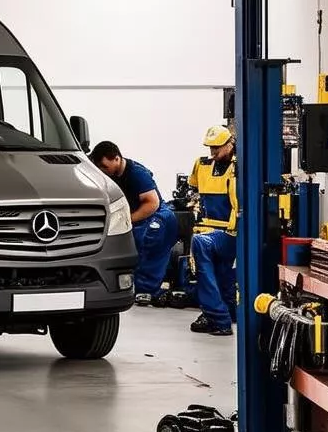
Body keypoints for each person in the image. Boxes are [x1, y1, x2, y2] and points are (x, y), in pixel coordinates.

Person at [89, 141, 180, 305]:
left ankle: (146, 290)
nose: (102, 170)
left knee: (148, 235)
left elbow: (152, 203)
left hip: (158, 215)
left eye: (104, 166)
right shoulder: (111, 176)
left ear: (116, 159)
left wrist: (127, 220)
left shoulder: (137, 173)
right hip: (139, 217)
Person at [187, 125, 238, 336]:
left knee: (200, 245)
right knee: (222, 272)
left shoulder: (239, 168)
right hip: (209, 229)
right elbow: (194, 188)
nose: (213, 153)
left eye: (217, 147)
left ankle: (218, 318)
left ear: (230, 144)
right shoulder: (202, 164)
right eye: (210, 148)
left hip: (231, 232)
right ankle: (226, 311)